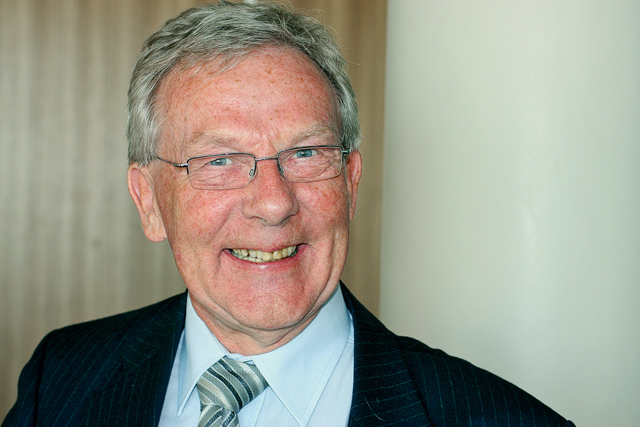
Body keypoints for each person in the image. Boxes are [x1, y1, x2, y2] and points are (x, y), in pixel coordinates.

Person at [3, 2, 575, 426]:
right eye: (220, 160)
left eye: (306, 153)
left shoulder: (503, 420)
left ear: (350, 183)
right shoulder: (61, 380)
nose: (274, 203)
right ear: (149, 201)